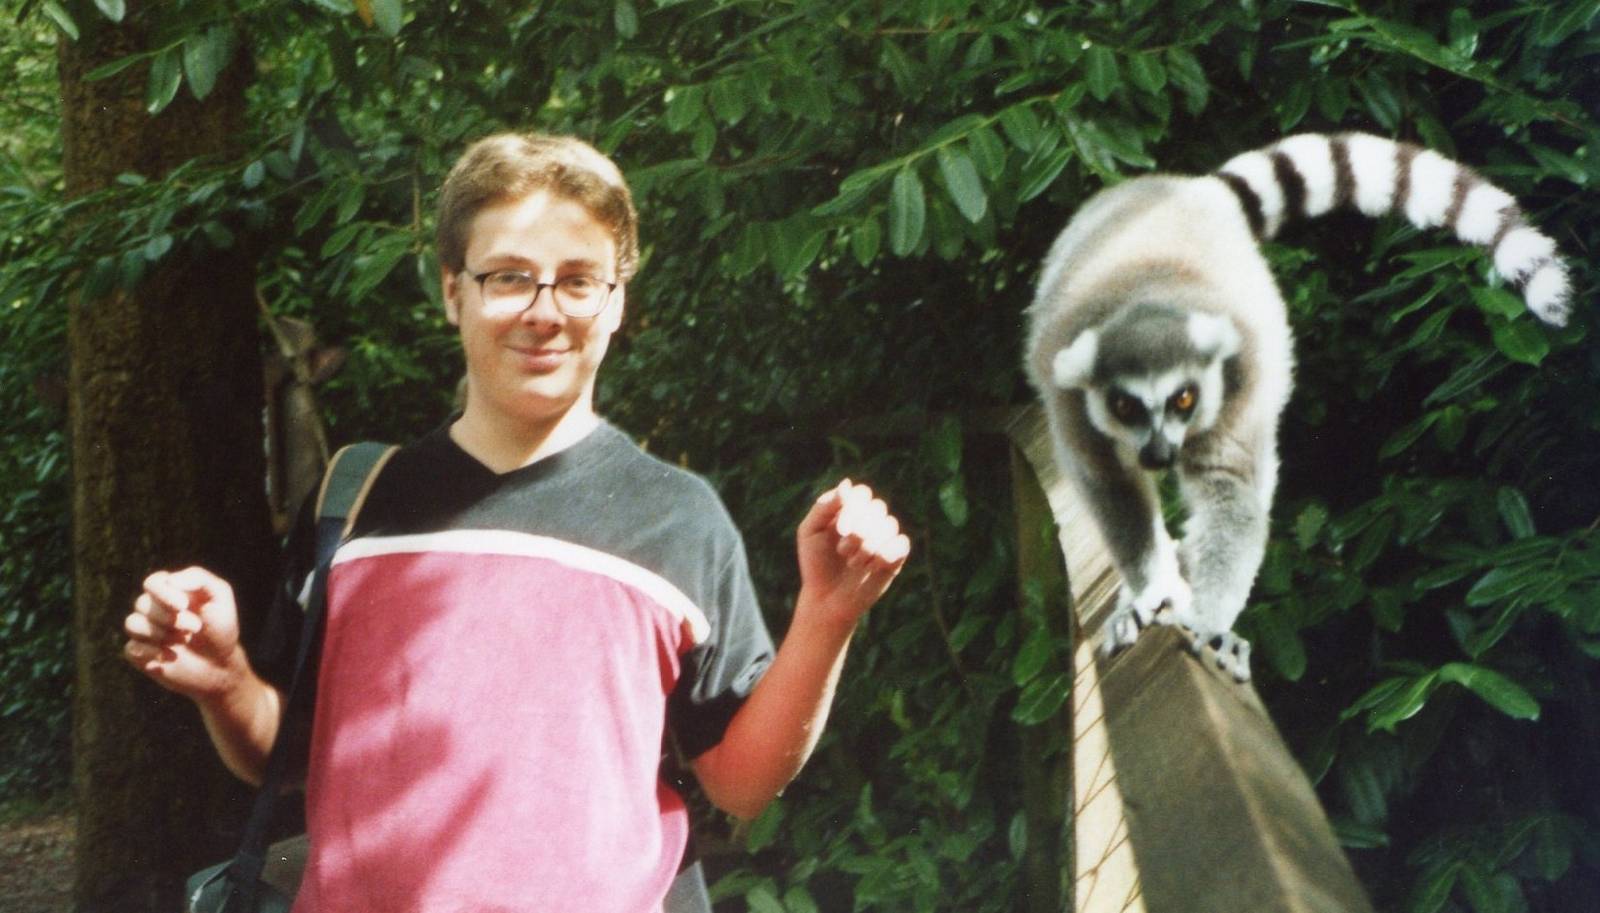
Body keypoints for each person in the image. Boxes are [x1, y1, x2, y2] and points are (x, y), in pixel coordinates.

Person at [122, 132, 911, 912]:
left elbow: (739, 780)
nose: (544, 312)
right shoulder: (361, 500)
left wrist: (828, 616)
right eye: (509, 278)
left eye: (578, 281)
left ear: (617, 301)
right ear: (451, 291)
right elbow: (286, 754)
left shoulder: (676, 516)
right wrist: (225, 680)